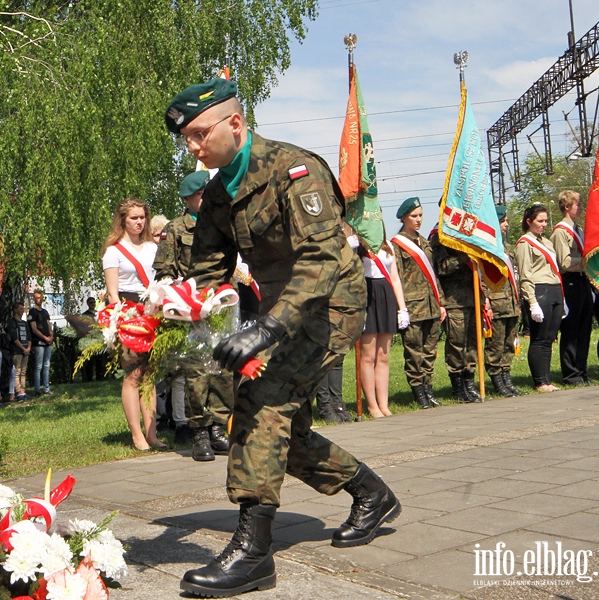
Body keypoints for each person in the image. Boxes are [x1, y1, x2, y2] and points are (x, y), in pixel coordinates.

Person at [166, 78, 399, 597]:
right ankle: (370, 492)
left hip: (331, 302)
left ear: (235, 123)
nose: (193, 146)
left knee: (261, 405)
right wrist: (174, 313)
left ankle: (253, 552)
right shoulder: (218, 192)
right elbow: (207, 268)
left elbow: (320, 260)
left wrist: (268, 327)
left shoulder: (295, 169)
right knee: (282, 432)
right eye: (187, 139)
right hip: (281, 307)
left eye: (201, 134)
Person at [153, 170, 234, 461]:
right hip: (192, 310)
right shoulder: (176, 228)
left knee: (224, 369)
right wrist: (177, 298)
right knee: (197, 374)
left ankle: (218, 429)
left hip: (222, 306)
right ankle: (199, 432)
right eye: (202, 194)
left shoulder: (225, 222)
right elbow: (164, 271)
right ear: (191, 198)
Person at [102, 197, 166, 452]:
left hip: (153, 310)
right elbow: (112, 293)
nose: (139, 222)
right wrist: (121, 322)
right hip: (128, 313)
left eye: (142, 217)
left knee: (150, 374)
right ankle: (136, 435)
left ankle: (152, 433)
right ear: (123, 221)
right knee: (132, 374)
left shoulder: (153, 247)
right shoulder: (113, 251)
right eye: (134, 218)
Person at [391, 197, 445, 409]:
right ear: (404, 218)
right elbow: (397, 277)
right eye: (414, 216)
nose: (418, 219)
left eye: (421, 215)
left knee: (430, 351)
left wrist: (441, 303)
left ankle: (428, 389)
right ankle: (418, 392)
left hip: (431, 304)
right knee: (414, 352)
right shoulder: (397, 245)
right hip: (413, 306)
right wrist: (401, 308)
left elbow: (434, 275)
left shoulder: (425, 243)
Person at [431, 222, 485, 403]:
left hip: (472, 297)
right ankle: (457, 386)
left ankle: (469, 382)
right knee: (457, 343)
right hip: (454, 299)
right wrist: (462, 256)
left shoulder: (469, 234)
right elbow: (441, 267)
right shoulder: (441, 236)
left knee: (472, 343)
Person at [357, 236, 410, 418]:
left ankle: (383, 404)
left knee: (383, 355)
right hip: (367, 295)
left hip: (386, 295)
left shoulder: (387, 245)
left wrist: (402, 308)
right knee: (368, 355)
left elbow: (395, 279)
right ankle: (372, 406)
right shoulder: (357, 245)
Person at [515, 203, 563, 392]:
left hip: (554, 289)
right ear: (529, 221)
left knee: (550, 337)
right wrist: (532, 302)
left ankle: (548, 379)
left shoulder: (546, 242)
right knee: (539, 338)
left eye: (545, 220)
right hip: (539, 291)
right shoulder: (524, 244)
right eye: (540, 221)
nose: (544, 224)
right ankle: (540, 381)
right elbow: (526, 275)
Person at [552, 190, 593, 385]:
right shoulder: (561, 231)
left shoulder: (579, 229)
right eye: (578, 204)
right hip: (570, 281)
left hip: (583, 280)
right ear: (567, 207)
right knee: (571, 329)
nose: (582, 208)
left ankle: (582, 370)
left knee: (585, 328)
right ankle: (570, 373)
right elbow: (565, 262)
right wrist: (588, 262)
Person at [483, 206, 525, 397]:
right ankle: (496, 379)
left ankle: (506, 376)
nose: (506, 224)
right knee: (495, 345)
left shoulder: (508, 248)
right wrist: (486, 301)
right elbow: (483, 278)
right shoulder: (486, 248)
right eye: (502, 221)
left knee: (509, 343)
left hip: (512, 303)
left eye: (506, 220)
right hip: (496, 302)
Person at [29, 290, 53, 396]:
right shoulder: (32, 312)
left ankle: (46, 388)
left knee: (46, 365)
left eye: (40, 297)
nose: (40, 299)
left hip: (47, 341)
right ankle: (37, 389)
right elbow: (34, 328)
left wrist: (51, 336)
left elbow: (48, 325)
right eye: (37, 298)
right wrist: (44, 337)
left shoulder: (45, 312)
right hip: (38, 342)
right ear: (34, 299)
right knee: (38, 366)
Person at [8, 301, 32, 401]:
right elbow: (14, 338)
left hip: (26, 349)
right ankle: (18, 391)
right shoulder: (12, 322)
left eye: (23, 309)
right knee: (17, 371)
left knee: (23, 371)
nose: (22, 310)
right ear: (15, 310)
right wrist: (23, 348)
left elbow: (29, 337)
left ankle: (23, 390)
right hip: (17, 350)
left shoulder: (24, 323)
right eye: (21, 308)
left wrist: (28, 348)